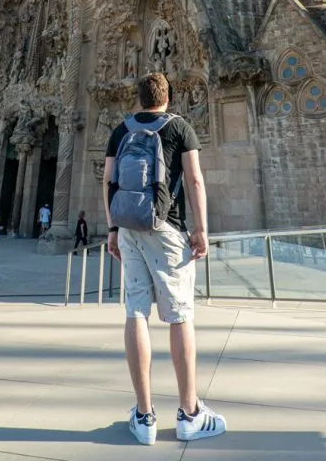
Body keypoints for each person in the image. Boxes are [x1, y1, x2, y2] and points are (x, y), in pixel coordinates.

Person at [104, 72, 226, 446]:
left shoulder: (121, 130)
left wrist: (111, 230)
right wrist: (201, 229)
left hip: (127, 228)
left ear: (139, 99)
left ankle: (144, 416)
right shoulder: (180, 128)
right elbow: (194, 180)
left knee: (135, 313)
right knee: (179, 316)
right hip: (168, 229)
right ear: (168, 97)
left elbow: (107, 180)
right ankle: (189, 414)